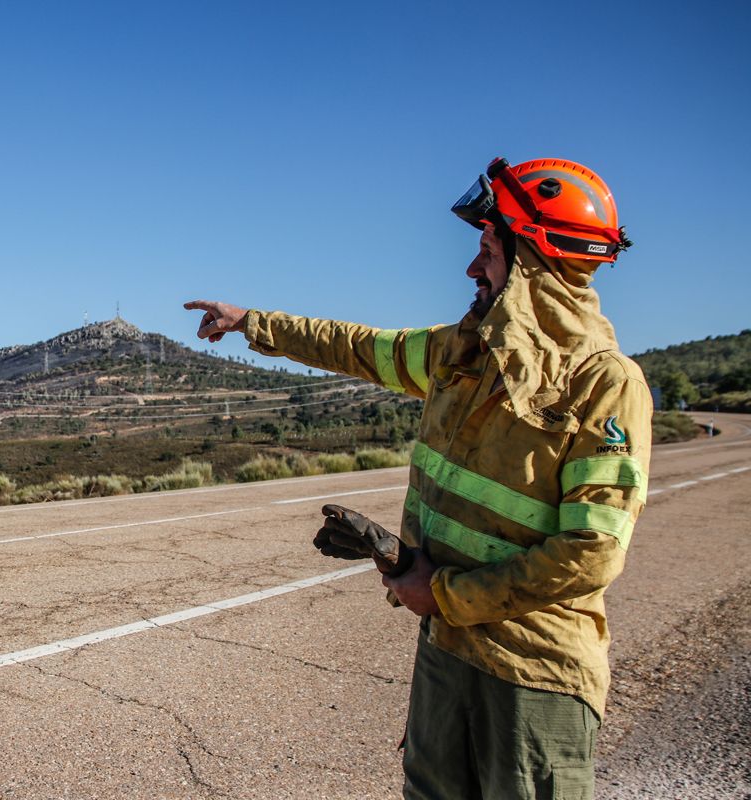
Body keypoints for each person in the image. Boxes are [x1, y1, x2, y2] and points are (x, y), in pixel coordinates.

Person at [185, 157, 650, 800]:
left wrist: (448, 595)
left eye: (488, 249)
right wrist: (251, 323)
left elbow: (590, 554)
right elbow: (352, 344)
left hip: (534, 674)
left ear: (534, 263)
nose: (471, 268)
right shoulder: (457, 353)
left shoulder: (605, 383)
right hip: (447, 650)